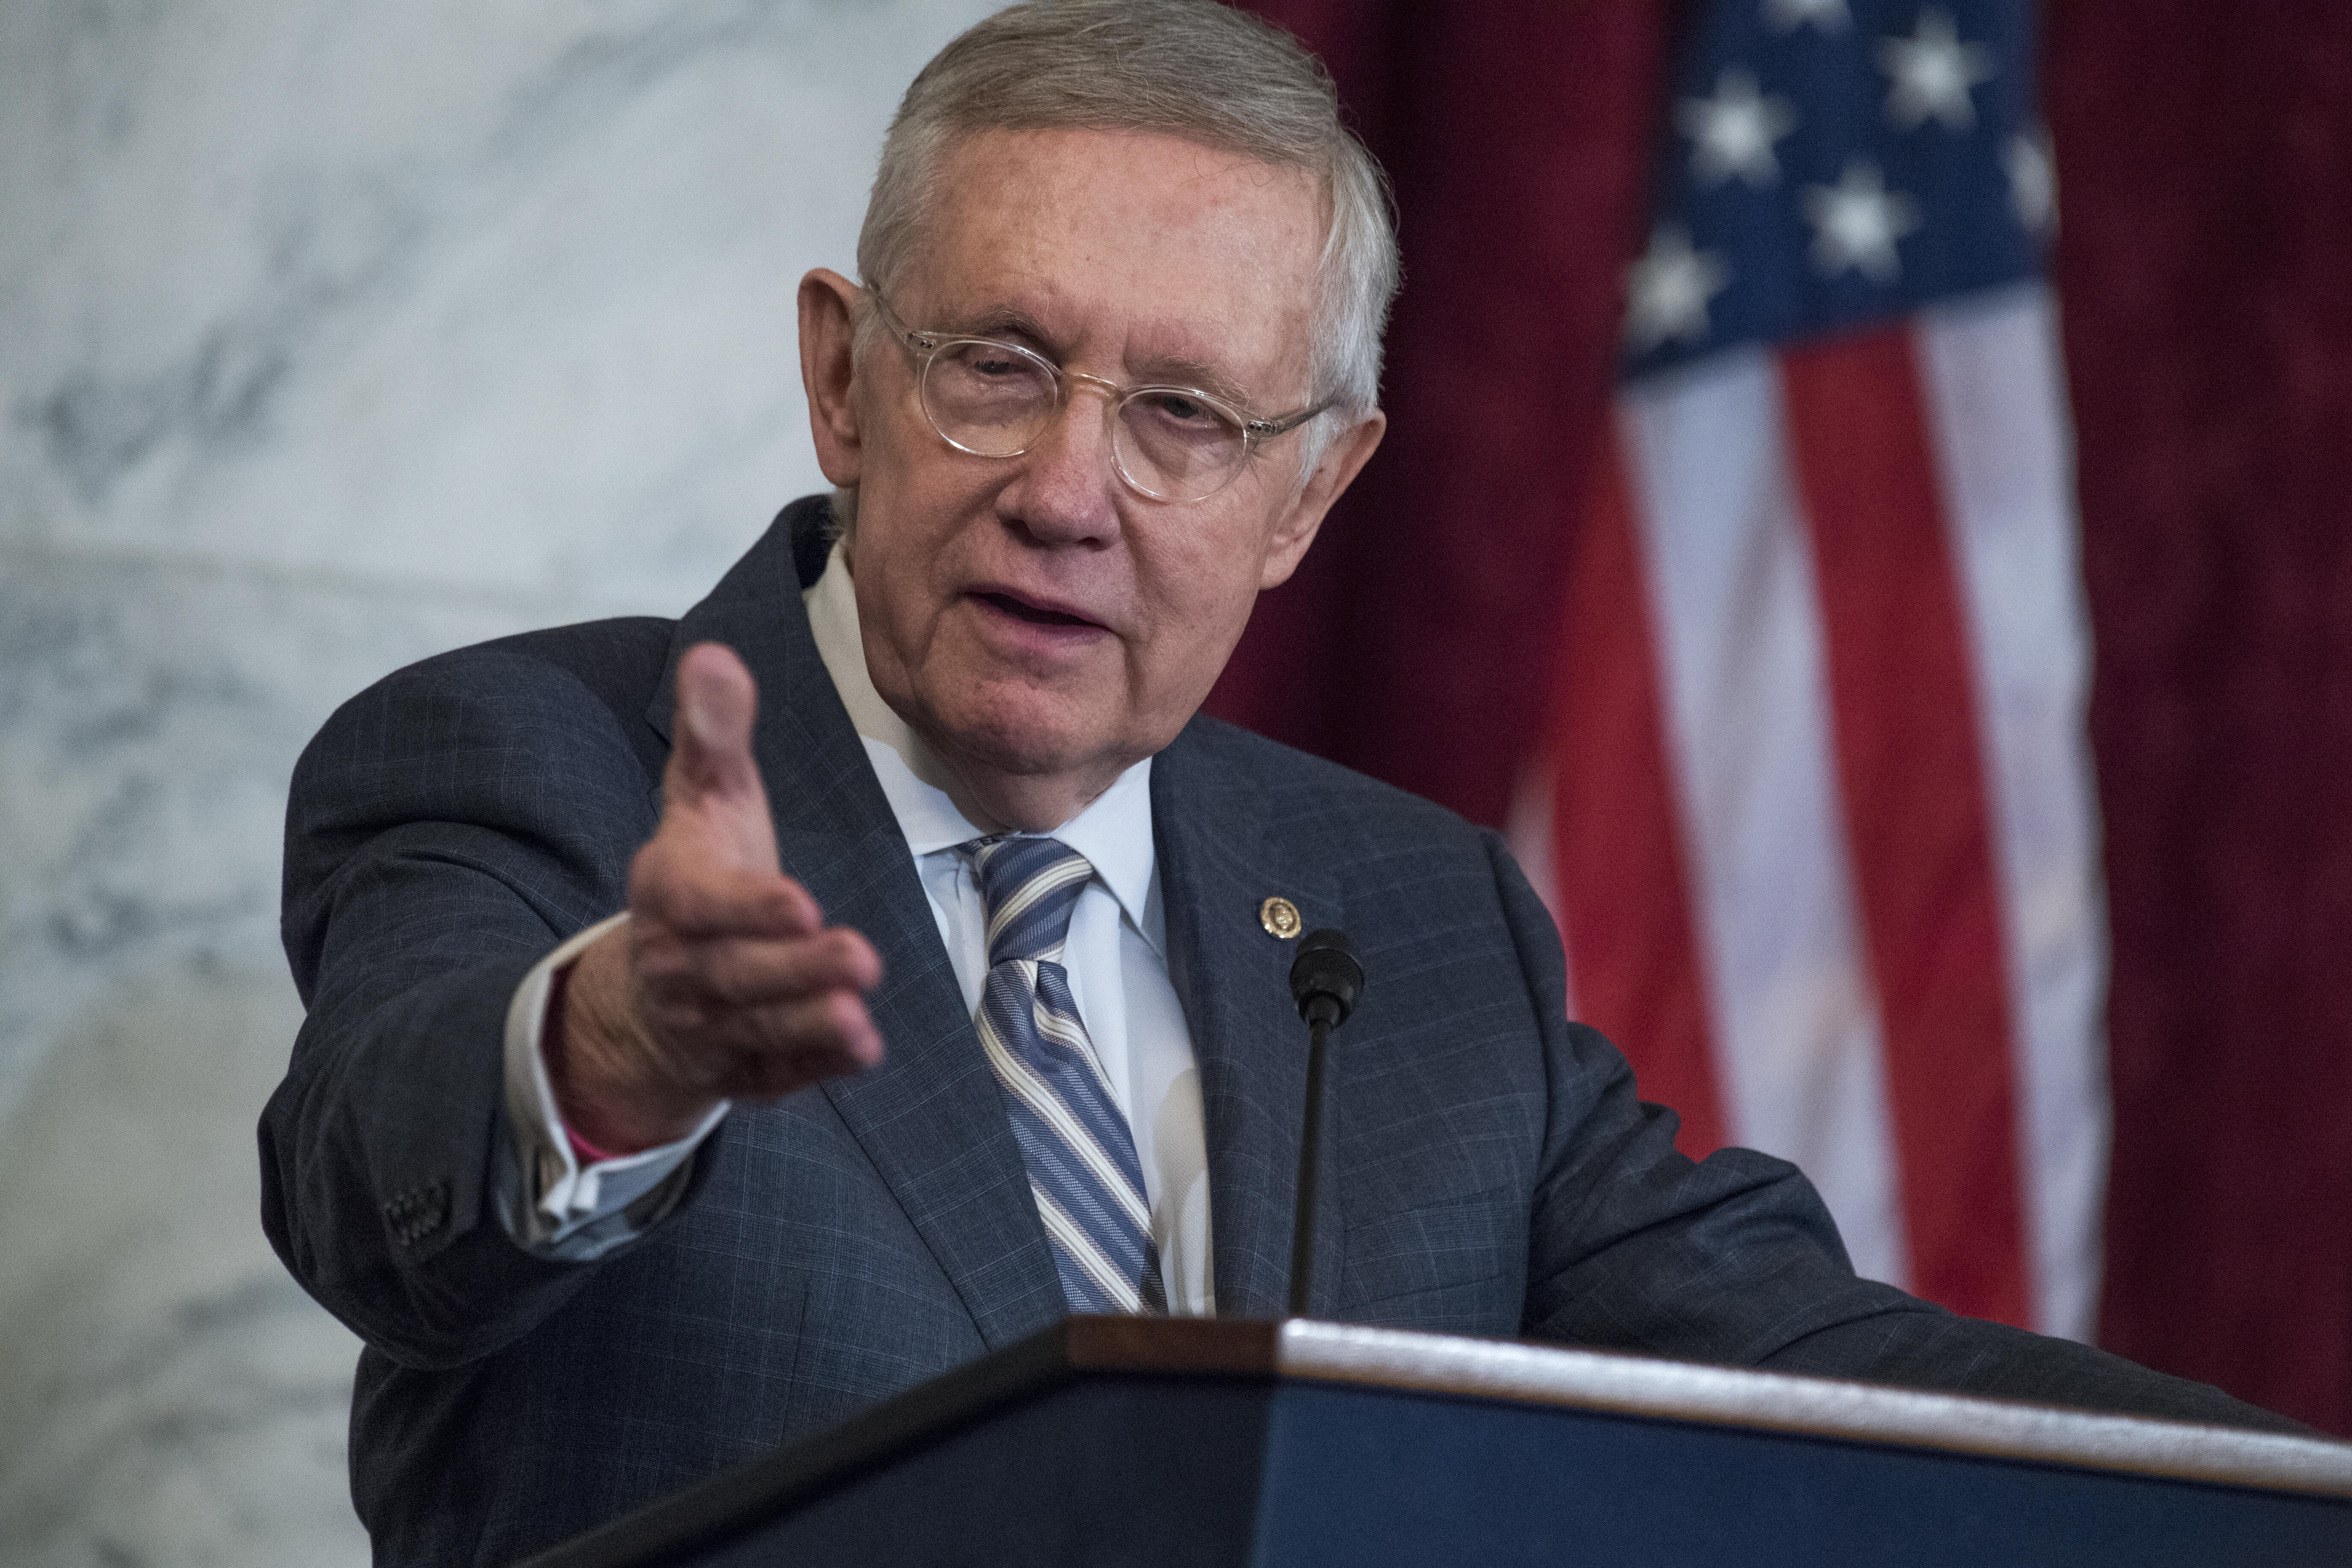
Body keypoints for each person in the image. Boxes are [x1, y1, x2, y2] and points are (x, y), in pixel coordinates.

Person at [259, 3, 2295, 1562]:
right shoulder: (517, 759)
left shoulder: (1408, 908)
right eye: (994, 363)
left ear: (1309, 491)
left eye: (1182, 414)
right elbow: (379, 1172)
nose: (1070, 491)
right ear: (839, 380)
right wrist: (611, 1047)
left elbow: (1780, 1352)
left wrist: (2289, 1492)